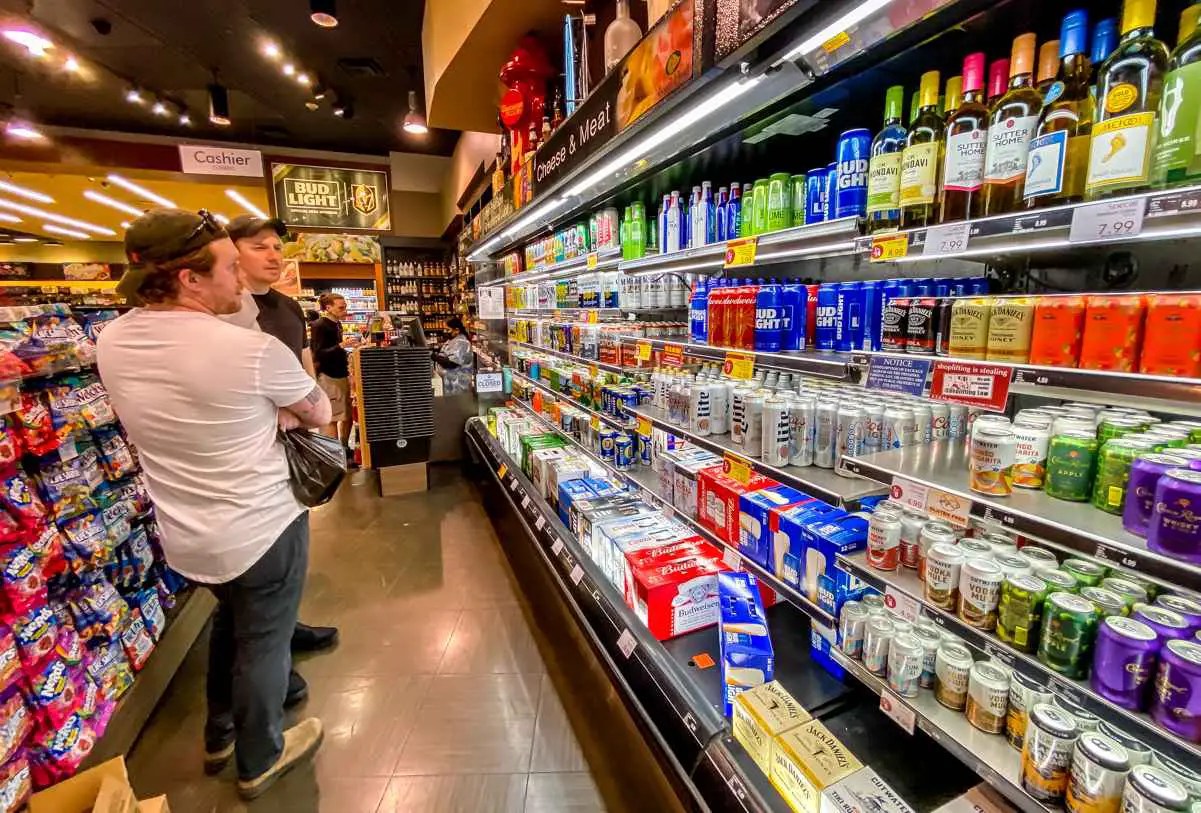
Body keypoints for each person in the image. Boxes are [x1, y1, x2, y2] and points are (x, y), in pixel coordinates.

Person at [97, 209, 325, 800]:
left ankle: (218, 733)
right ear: (188, 280)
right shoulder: (248, 349)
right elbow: (319, 411)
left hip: (186, 532)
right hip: (262, 522)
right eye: (229, 267)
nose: (240, 280)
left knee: (230, 621)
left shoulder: (113, 339)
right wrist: (273, 411)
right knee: (266, 643)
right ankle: (260, 757)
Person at [224, 215, 339, 700]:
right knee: (254, 563)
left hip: (295, 441)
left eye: (277, 247)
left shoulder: (288, 306)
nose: (274, 255)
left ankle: (287, 626)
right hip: (247, 454)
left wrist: (306, 407)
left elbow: (305, 368)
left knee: (290, 545)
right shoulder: (222, 313)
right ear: (230, 254)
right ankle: (272, 667)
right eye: (259, 247)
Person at [310, 293, 354, 444]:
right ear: (328, 308)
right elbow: (319, 353)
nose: (345, 310)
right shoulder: (319, 326)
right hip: (329, 376)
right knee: (332, 417)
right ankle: (334, 454)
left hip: (340, 374)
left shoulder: (337, 324)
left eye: (345, 307)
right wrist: (341, 346)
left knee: (347, 415)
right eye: (341, 308)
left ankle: (344, 448)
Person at [432, 316, 474, 394]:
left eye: (448, 329)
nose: (445, 331)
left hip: (458, 386)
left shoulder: (462, 342)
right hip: (450, 385)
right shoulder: (452, 340)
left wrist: (434, 356)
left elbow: (451, 363)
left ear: (457, 330)